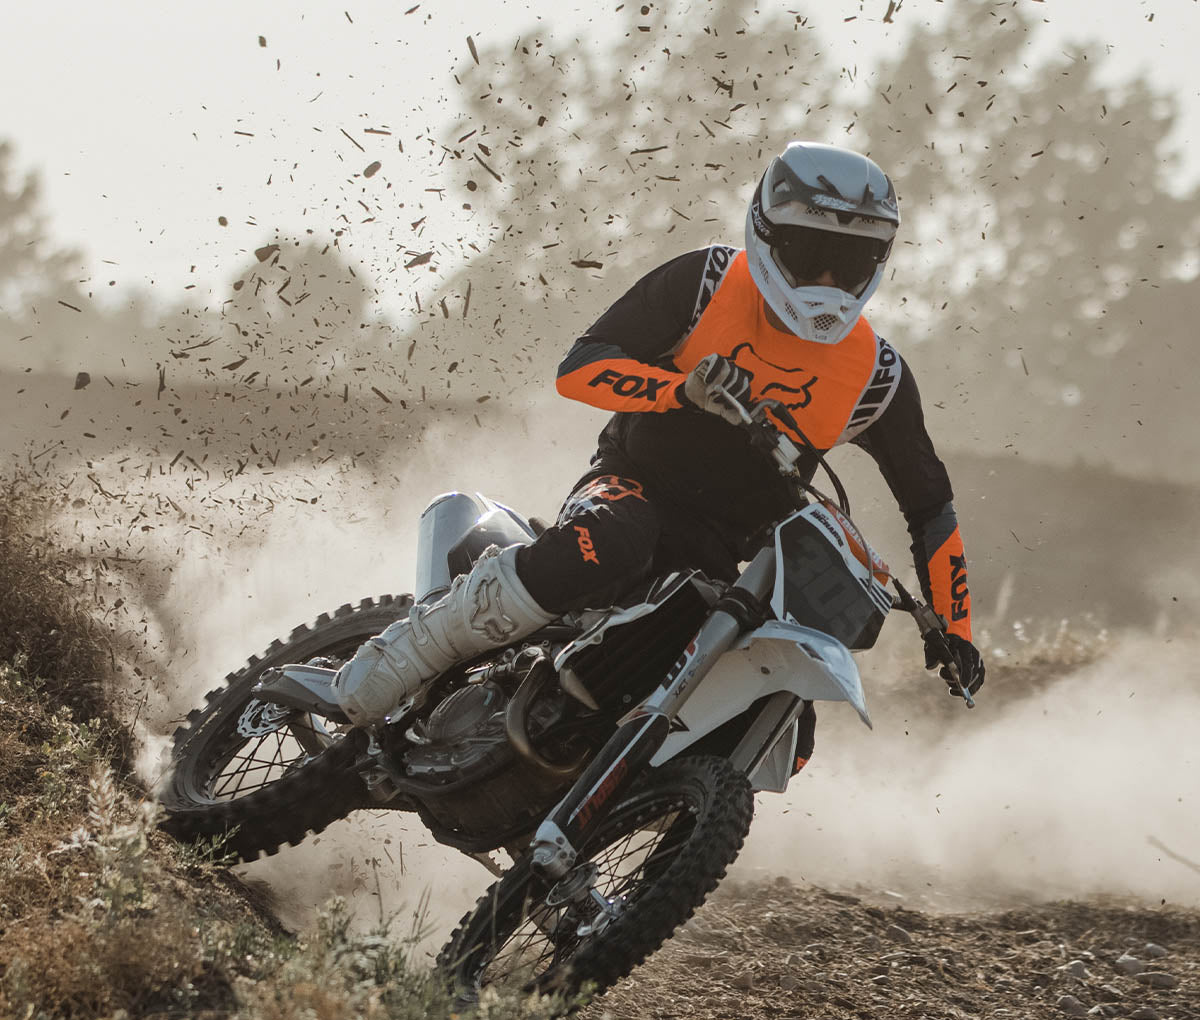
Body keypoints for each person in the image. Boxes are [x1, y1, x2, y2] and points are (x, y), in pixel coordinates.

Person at [333, 141, 986, 763]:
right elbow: (581, 367)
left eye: (849, 262)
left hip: (726, 554)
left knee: (789, 708)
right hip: (629, 484)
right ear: (767, 233)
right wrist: (682, 391)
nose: (825, 278)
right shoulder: (709, 281)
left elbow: (931, 507)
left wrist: (956, 631)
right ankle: (411, 650)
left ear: (877, 262)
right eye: (811, 251)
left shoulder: (877, 375)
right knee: (612, 540)